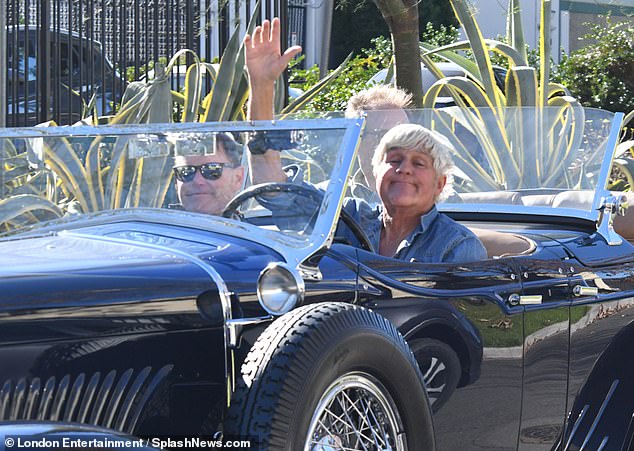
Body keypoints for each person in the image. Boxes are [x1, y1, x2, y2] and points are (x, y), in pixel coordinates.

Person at [244, 19, 486, 262]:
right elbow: (275, 190)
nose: (404, 170)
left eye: (419, 163)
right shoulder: (348, 216)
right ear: (375, 164)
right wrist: (262, 85)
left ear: (440, 184)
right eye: (393, 156)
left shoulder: (456, 245)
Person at [172, 133, 245, 215]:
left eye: (211, 170)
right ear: (176, 182)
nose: (197, 181)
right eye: (186, 172)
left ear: (238, 178)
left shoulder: (254, 226)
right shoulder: (158, 225)